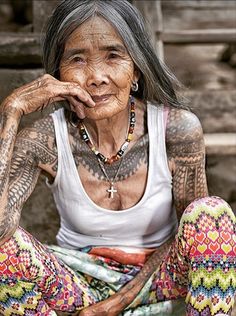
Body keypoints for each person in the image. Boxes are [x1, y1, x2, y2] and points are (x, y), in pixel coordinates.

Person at [0, 0, 235, 315]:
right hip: (78, 282)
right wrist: (12, 113)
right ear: (58, 73)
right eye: (78, 59)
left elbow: (191, 237)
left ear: (136, 68)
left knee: (212, 215)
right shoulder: (45, 140)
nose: (96, 76)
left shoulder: (176, 130)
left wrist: (118, 303)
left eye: (113, 56)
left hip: (158, 280)